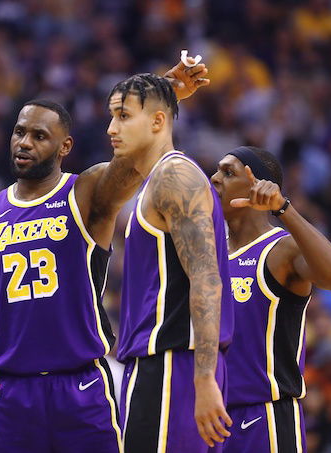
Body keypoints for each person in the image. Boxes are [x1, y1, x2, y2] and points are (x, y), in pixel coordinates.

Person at [0, 58, 208, 452]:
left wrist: (163, 93)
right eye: (20, 132)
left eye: (40, 136)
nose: (25, 142)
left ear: (65, 147)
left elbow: (133, 160)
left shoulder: (85, 193)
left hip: (80, 384)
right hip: (9, 389)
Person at [112, 73, 234, 452]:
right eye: (112, 116)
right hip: (167, 365)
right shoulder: (155, 180)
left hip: (173, 366)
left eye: (123, 116)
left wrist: (203, 378)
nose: (112, 128)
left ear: (158, 121)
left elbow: (207, 278)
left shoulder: (175, 177)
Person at [209, 146, 331, 453]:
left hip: (264, 416)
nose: (215, 178)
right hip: (212, 417)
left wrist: (284, 208)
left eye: (228, 172)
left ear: (258, 186)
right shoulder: (210, 251)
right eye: (218, 170)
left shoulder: (280, 249)